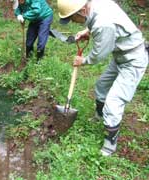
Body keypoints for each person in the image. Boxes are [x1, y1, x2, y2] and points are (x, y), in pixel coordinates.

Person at [57, 0, 148, 156]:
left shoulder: (102, 24)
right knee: (101, 86)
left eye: (72, 18)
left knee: (114, 101)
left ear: (82, 11)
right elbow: (106, 22)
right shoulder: (97, 4)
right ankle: (100, 117)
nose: (72, 21)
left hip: (132, 60)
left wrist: (83, 61)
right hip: (120, 56)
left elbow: (100, 54)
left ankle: (109, 145)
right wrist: (87, 30)